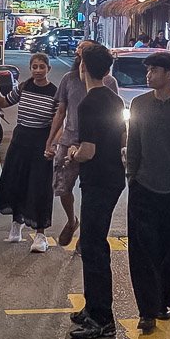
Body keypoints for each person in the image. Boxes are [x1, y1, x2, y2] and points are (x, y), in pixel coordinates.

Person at [126, 51, 170, 334]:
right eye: (148, 71)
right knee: (142, 250)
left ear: (169, 74)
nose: (148, 75)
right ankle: (146, 310)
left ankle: (163, 302)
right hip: (143, 186)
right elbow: (133, 144)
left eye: (154, 70)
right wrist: (132, 176)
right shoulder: (139, 104)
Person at [67, 44, 127, 339]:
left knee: (93, 247)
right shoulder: (114, 99)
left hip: (98, 180)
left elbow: (88, 151)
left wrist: (72, 154)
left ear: (83, 69)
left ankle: (102, 318)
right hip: (113, 176)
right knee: (93, 244)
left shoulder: (89, 103)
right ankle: (92, 308)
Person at [44, 43, 119, 247]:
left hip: (92, 146)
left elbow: (115, 120)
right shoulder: (69, 80)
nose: (79, 54)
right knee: (62, 187)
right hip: (69, 141)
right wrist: (50, 141)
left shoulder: (109, 83)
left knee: (91, 193)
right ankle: (72, 221)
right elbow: (61, 111)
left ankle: (87, 233)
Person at [0, 53, 58, 252]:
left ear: (48, 69)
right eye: (34, 66)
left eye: (41, 67)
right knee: (15, 181)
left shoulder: (55, 92)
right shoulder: (24, 87)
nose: (37, 70)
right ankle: (16, 226)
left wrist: (52, 144)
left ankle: (40, 235)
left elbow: (58, 121)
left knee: (39, 187)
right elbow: (2, 103)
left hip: (41, 142)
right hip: (20, 140)